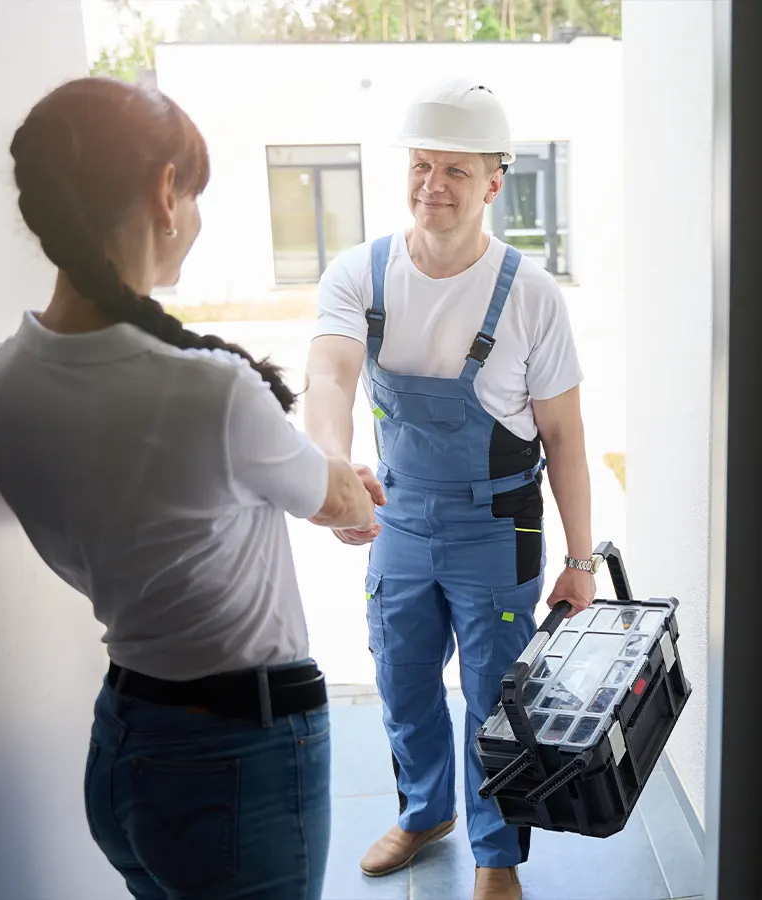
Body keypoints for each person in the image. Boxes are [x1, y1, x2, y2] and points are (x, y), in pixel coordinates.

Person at [0, 77, 382, 900]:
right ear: (165, 193)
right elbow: (340, 502)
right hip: (239, 759)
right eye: (193, 192)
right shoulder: (211, 391)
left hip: (123, 749)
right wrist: (346, 488)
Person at [304, 77, 597, 900]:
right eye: (421, 165)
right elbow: (327, 377)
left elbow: (568, 439)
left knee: (496, 697)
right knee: (400, 677)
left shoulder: (531, 296)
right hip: (400, 517)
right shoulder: (361, 273)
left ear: (494, 182)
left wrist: (582, 559)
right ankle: (425, 810)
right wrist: (332, 467)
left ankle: (496, 854)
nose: (432, 184)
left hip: (499, 528)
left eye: (455, 171)